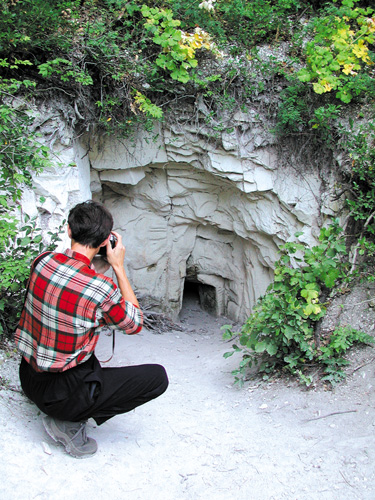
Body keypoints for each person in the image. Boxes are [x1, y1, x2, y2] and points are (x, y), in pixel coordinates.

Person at [14, 200, 168, 458]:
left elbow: (73, 275)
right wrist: (117, 266)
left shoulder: (42, 261)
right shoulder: (100, 289)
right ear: (106, 240)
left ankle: (63, 409)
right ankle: (68, 422)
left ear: (69, 230)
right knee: (157, 378)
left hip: (28, 378)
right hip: (63, 396)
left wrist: (101, 262)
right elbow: (134, 323)